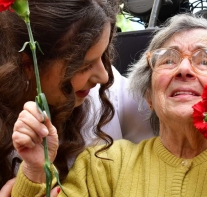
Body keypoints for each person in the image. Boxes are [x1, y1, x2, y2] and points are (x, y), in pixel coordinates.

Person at [12, 14, 207, 197]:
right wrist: (36, 170)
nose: (184, 70)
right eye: (168, 59)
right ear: (150, 96)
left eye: (204, 60)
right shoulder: (104, 164)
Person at [0, 0, 152, 192]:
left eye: (103, 55)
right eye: (85, 66)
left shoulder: (108, 94)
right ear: (29, 65)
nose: (104, 76)